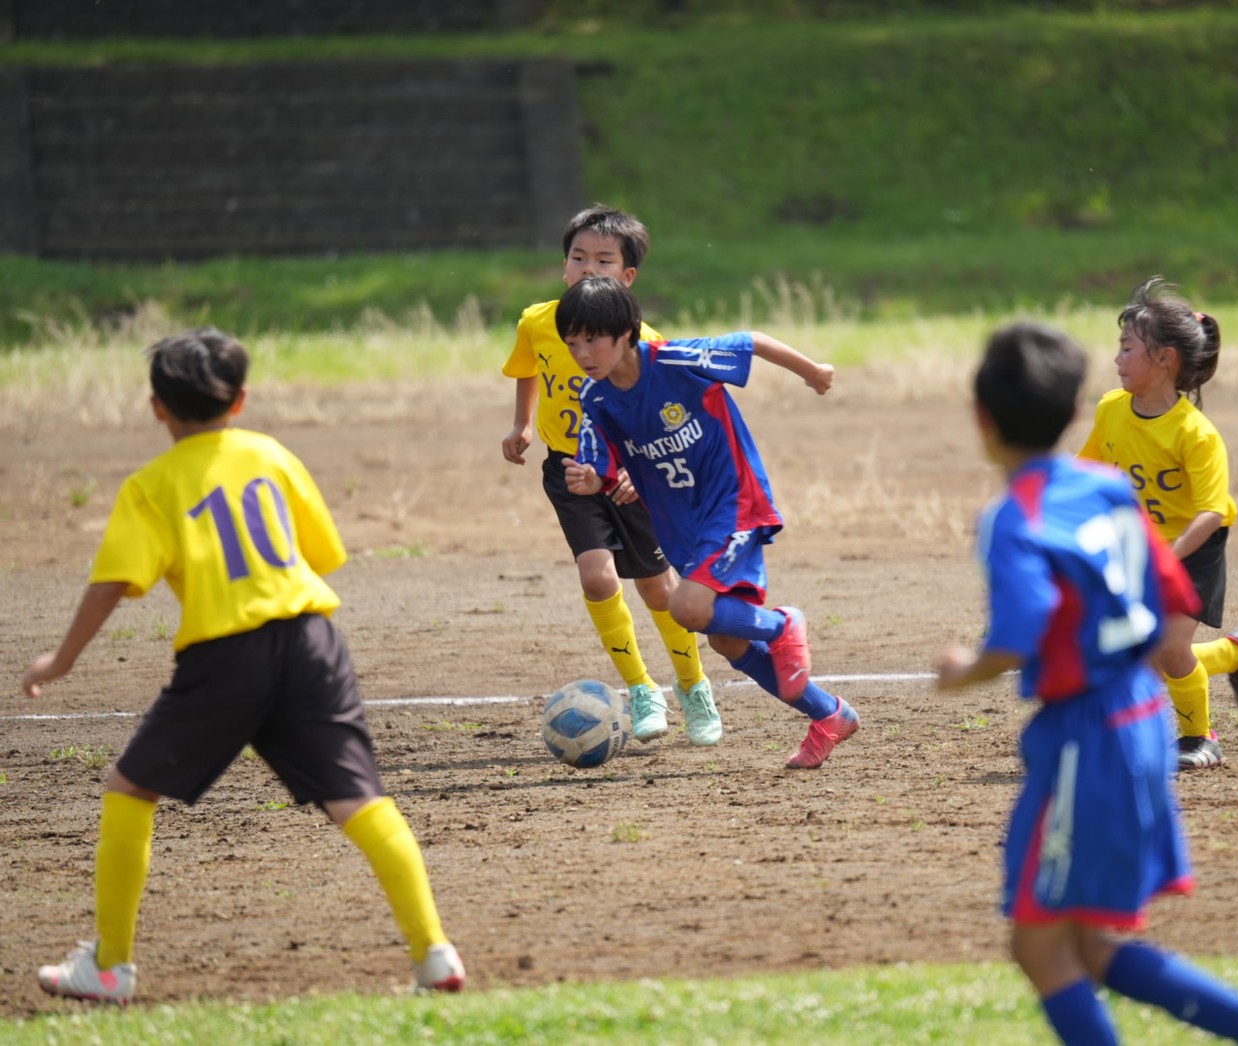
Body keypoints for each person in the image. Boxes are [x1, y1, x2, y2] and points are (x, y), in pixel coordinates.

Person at [19, 329, 464, 1004]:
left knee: (128, 788)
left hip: (227, 654)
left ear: (156, 408)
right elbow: (323, 553)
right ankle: (434, 956)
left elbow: (112, 582)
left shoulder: (152, 484)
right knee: (357, 798)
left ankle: (109, 966)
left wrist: (63, 657)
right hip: (313, 640)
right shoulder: (270, 454)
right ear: (241, 399)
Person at [934, 320, 1238, 1045]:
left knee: (1039, 946)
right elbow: (1170, 600)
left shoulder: (1012, 517)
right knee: (1090, 945)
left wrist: (964, 671)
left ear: (982, 419)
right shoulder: (1108, 489)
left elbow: (1019, 631)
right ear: (1078, 408)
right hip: (1141, 721)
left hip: (1084, 737)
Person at [556, 276, 860, 770]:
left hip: (733, 502)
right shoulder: (596, 401)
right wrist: (590, 480)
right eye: (572, 342)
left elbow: (752, 342)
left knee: (686, 606)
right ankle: (830, 715)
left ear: (628, 331)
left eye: (592, 338)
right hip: (682, 528)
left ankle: (783, 625)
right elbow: (598, 469)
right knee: (727, 640)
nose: (582, 352)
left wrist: (813, 371)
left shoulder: (676, 361)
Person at [500, 204, 720, 747]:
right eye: (578, 257)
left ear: (627, 276)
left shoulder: (645, 341)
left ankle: (692, 685)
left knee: (657, 587)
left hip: (632, 472)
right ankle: (641, 688)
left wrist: (639, 471)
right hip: (570, 471)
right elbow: (528, 370)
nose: (587, 268)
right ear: (563, 265)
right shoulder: (536, 322)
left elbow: (664, 416)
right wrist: (522, 426)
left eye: (604, 260)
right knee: (597, 577)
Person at [1077, 276, 1238, 771]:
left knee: (1167, 646)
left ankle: (1198, 738)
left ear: (1165, 359)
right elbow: (1090, 469)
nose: (1116, 358)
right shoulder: (1112, 410)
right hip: (1139, 546)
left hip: (1193, 549)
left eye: (1127, 347)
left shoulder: (1195, 434)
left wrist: (1169, 553)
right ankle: (1234, 655)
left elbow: (1211, 510)